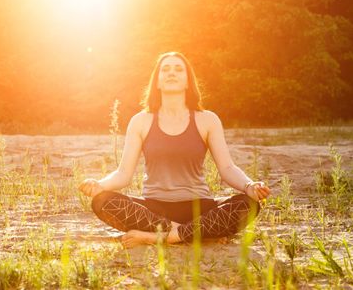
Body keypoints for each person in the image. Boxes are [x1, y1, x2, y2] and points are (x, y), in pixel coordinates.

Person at [78, 51, 271, 248]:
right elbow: (123, 173)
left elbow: (228, 168)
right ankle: (196, 233)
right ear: (158, 81)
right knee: (102, 201)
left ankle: (158, 237)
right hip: (153, 211)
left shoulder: (207, 119)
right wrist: (100, 185)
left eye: (179, 69)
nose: (172, 73)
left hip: (198, 208)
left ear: (188, 81)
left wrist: (250, 186)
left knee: (248, 205)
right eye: (166, 69)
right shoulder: (140, 121)